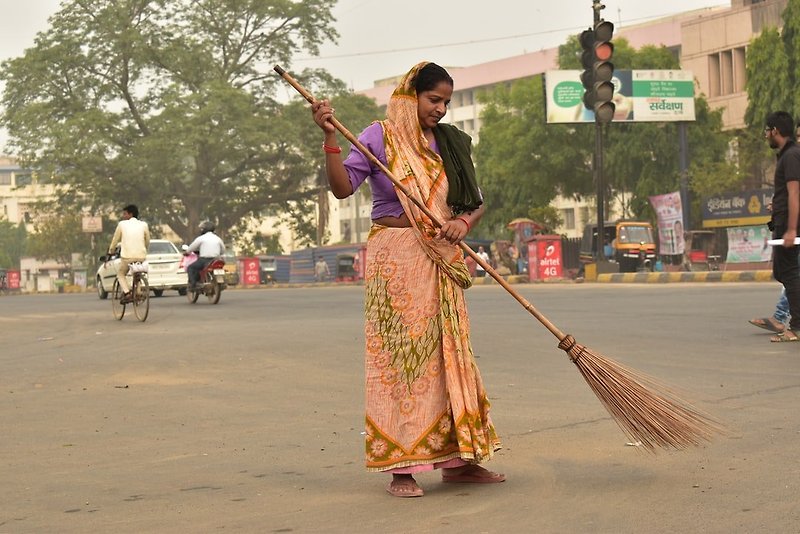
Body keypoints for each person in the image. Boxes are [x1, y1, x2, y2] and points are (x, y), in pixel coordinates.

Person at [311, 62, 503, 498]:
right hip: (395, 260)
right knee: (401, 362)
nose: (441, 109)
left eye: (446, 102)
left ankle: (458, 462)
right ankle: (402, 468)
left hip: (441, 257)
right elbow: (343, 189)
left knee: (449, 357)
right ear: (410, 93)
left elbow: (475, 202)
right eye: (434, 100)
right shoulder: (379, 135)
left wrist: (463, 225)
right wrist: (329, 140)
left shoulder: (450, 142)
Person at [763, 111, 800, 342]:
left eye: (767, 131)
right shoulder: (787, 155)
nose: (766, 135)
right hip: (783, 221)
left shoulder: (792, 156)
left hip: (789, 225)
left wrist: (792, 229)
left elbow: (795, 193)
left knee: (790, 273)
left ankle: (796, 327)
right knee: (783, 272)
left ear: (775, 130)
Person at [107, 204, 150, 304]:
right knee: (137, 273)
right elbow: (147, 240)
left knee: (121, 274)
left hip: (127, 257)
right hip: (141, 256)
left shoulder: (122, 224)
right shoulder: (144, 225)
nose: (123, 216)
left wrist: (111, 251)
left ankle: (127, 293)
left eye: (125, 214)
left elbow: (115, 240)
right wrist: (144, 249)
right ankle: (138, 292)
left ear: (131, 214)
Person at [185, 221, 225, 290]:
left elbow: (192, 247)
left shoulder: (201, 238)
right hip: (216, 259)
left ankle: (193, 285)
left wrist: (187, 252)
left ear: (204, 229)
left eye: (202, 229)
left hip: (204, 260)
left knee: (191, 268)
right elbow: (223, 250)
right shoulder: (218, 238)